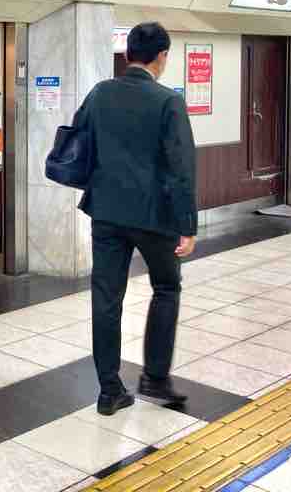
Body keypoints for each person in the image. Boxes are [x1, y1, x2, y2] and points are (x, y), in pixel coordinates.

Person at [71, 22, 197, 416]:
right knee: (166, 287)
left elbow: (78, 137)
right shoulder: (167, 101)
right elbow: (181, 168)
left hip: (105, 212)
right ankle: (155, 379)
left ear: (127, 55)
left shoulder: (101, 92)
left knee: (106, 298)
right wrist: (187, 226)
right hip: (153, 216)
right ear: (162, 57)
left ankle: (110, 390)